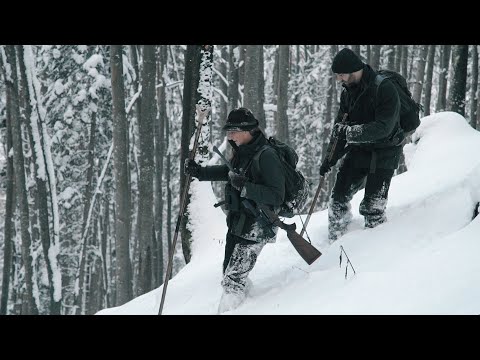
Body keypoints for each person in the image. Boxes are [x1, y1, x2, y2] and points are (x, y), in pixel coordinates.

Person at [184, 107, 285, 313]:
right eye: (228, 132)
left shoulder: (267, 156)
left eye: (233, 131)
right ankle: (247, 303)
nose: (229, 136)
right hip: (239, 223)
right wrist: (200, 172)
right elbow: (228, 172)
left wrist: (246, 187)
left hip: (259, 224)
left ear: (247, 130)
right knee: (228, 274)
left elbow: (277, 196)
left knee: (233, 281)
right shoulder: (242, 151)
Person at [320, 48, 404, 243]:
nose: (339, 79)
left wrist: (349, 133)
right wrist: (329, 160)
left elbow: (383, 128)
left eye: (341, 74)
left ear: (353, 70)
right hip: (360, 149)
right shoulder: (348, 92)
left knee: (372, 208)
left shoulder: (385, 89)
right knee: (338, 198)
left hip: (386, 151)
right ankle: (336, 244)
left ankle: (372, 254)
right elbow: (340, 127)